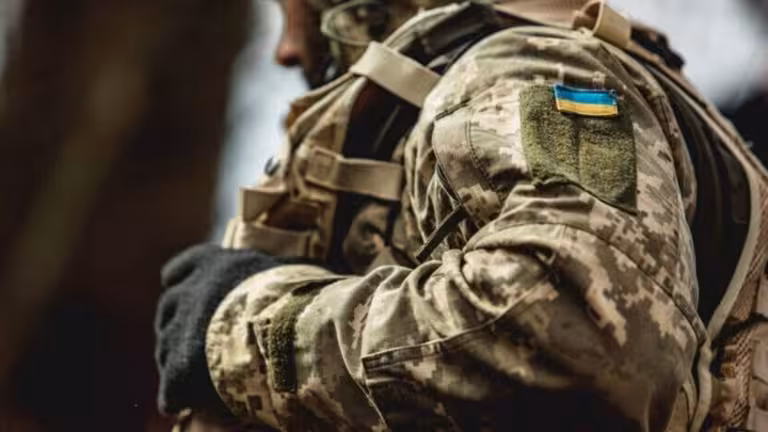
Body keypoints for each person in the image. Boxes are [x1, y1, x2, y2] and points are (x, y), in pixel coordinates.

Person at [154, 0, 768, 430]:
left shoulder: (528, 72)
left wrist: (238, 327)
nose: (287, 49)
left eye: (295, 8)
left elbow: (573, 333)